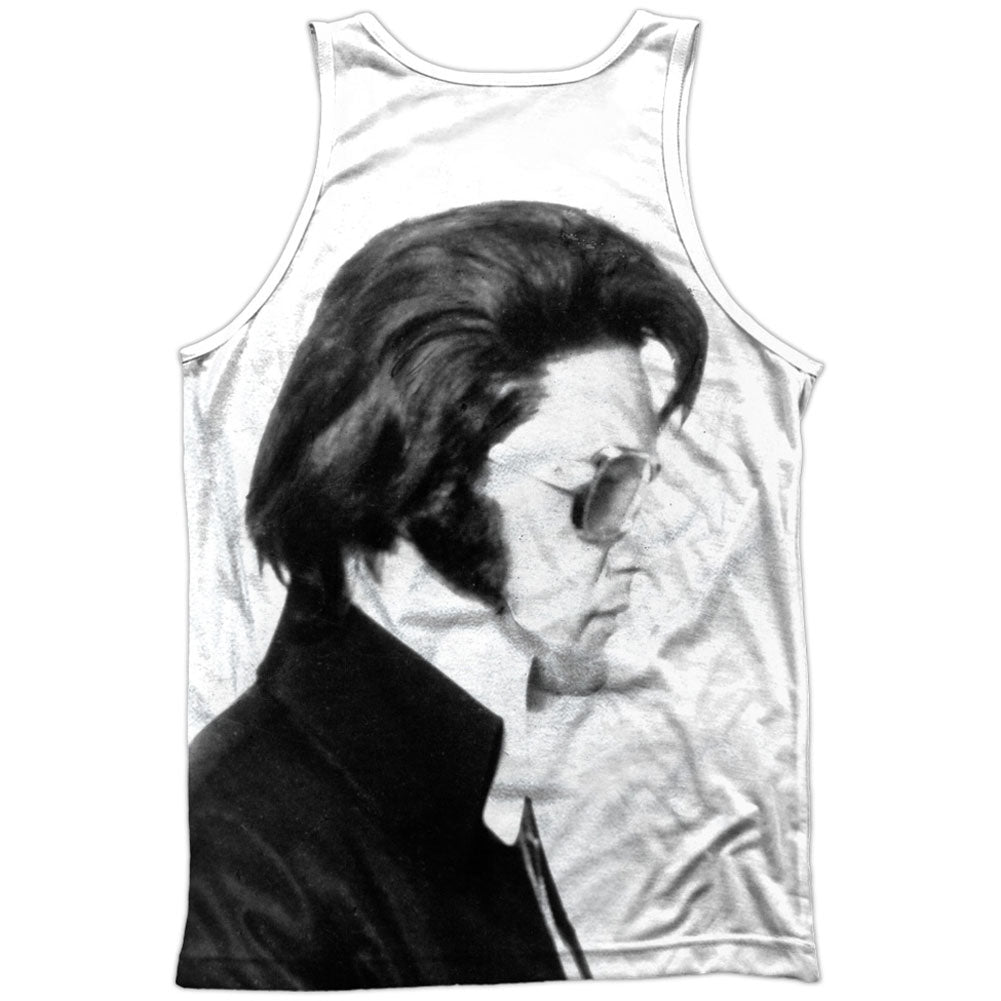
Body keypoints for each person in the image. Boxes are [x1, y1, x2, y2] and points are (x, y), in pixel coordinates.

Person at [176, 200, 708, 989]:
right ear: (417, 482)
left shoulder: (463, 791)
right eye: (606, 485)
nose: (643, 550)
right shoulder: (251, 850)